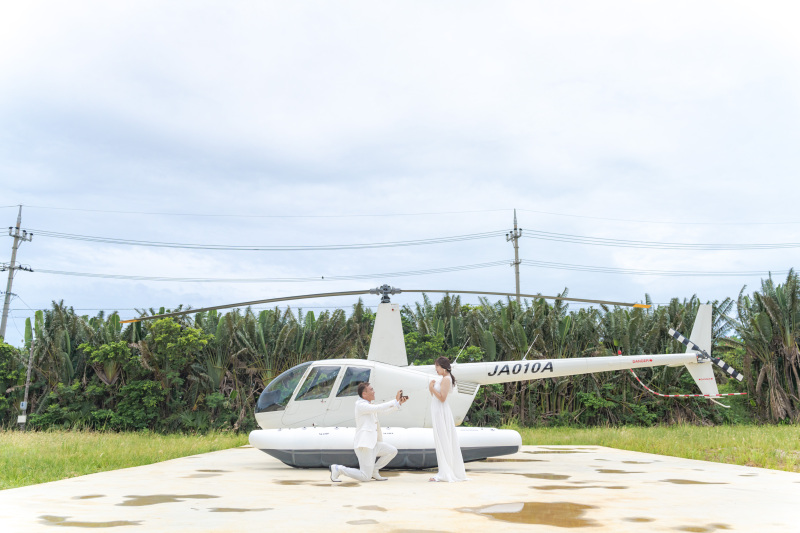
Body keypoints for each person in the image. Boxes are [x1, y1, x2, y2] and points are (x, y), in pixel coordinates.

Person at [329, 382, 408, 482]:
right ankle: (338, 469)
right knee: (365, 477)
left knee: (392, 451)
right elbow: (378, 408)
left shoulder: (368, 405)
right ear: (364, 394)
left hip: (373, 443)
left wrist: (398, 404)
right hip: (365, 445)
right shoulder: (360, 405)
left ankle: (374, 470)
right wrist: (395, 401)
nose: (374, 391)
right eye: (371, 390)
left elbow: (383, 412)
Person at [428, 356, 467, 482]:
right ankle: (444, 470)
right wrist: (431, 387)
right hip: (437, 410)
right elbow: (435, 396)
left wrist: (431, 387)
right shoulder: (443, 378)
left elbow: (442, 398)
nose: (436, 369)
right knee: (441, 439)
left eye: (437, 367)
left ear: (443, 367)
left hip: (441, 411)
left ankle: (445, 473)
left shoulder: (446, 379)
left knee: (443, 439)